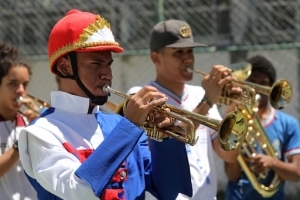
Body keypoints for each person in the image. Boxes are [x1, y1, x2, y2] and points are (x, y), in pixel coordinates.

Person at [18, 9, 193, 200]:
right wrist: (130, 127)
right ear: (65, 67)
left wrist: (167, 140)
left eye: (108, 64)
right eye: (96, 63)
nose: (107, 75)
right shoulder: (39, 133)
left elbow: (169, 192)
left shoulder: (120, 125)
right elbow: (80, 191)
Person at [127, 19, 243, 200]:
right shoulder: (142, 95)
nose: (188, 58)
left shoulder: (199, 94)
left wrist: (233, 111)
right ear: (156, 58)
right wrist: (208, 101)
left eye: (190, 51)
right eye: (178, 52)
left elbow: (228, 155)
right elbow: (164, 142)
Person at [224, 55, 300, 200]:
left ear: (271, 87)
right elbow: (232, 175)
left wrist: (272, 162)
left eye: (263, 84)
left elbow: (296, 174)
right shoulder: (235, 119)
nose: (256, 89)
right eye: (252, 82)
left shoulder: (288, 124)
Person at [0, 41, 37, 199]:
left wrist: (41, 126)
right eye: (13, 84)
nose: (21, 90)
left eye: (25, 84)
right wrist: (20, 144)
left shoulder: (29, 122)